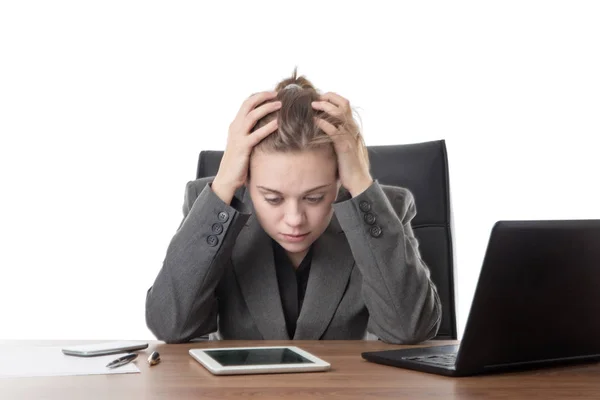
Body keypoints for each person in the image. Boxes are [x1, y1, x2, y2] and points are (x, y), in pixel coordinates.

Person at [145, 69, 442, 344]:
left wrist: (361, 184)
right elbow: (170, 325)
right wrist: (223, 184)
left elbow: (410, 329)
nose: (294, 219)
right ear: (246, 181)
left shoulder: (381, 210)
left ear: (339, 180)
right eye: (272, 198)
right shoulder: (216, 209)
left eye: (314, 197)